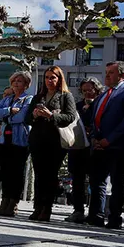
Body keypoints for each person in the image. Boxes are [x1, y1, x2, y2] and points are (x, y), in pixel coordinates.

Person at [85, 62, 124, 229]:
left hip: (117, 145)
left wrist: (109, 140)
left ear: (122, 75)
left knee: (117, 181)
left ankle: (114, 218)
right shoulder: (103, 95)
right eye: (106, 72)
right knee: (97, 181)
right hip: (98, 145)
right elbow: (95, 118)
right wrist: (95, 138)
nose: (107, 76)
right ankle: (95, 215)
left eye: (111, 73)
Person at [24, 66, 77, 222]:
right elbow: (26, 119)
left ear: (59, 79)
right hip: (37, 139)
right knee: (39, 174)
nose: (49, 80)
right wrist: (34, 115)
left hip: (55, 141)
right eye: (47, 77)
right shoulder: (38, 96)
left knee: (50, 174)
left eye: (53, 77)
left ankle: (47, 208)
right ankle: (38, 207)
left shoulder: (65, 96)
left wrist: (51, 115)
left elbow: (70, 117)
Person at [0, 73, 34, 217]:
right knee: (4, 172)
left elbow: (21, 117)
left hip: (19, 141)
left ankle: (13, 203)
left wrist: (6, 117)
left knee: (16, 173)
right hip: (3, 140)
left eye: (19, 81)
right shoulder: (7, 99)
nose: (16, 83)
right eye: (14, 80)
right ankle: (4, 202)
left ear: (26, 84)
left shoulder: (28, 99)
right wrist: (9, 111)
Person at [64, 77, 103, 223]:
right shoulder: (76, 105)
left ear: (97, 90)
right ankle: (78, 210)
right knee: (77, 180)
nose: (87, 93)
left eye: (90, 90)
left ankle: (95, 214)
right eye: (84, 90)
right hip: (77, 147)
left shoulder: (101, 104)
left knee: (96, 181)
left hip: (94, 148)